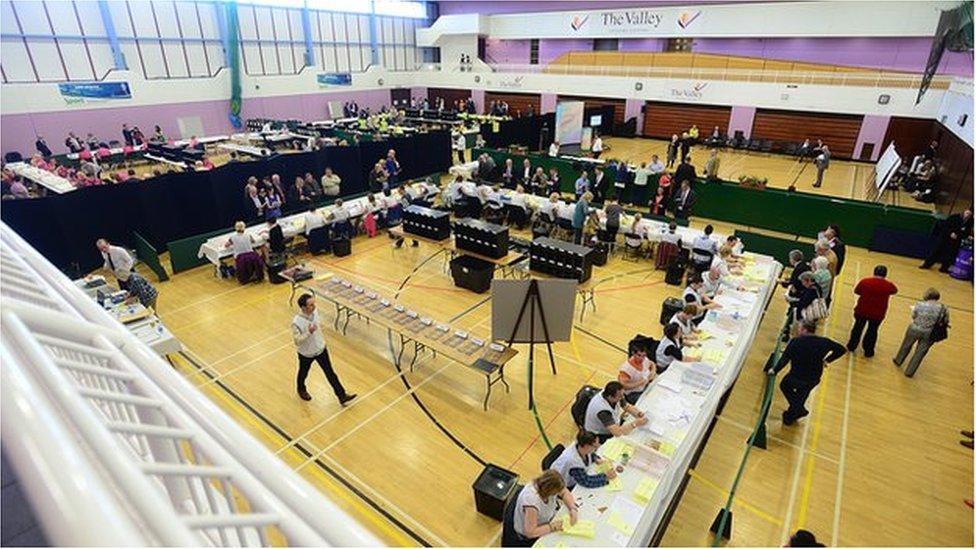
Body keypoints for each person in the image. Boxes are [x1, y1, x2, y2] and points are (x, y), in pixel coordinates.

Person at [767, 321, 846, 425]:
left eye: (799, 328)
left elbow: (784, 359)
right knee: (802, 395)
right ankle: (790, 417)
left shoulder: (796, 342)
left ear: (804, 330)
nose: (797, 330)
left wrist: (774, 370)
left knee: (784, 385)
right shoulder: (824, 342)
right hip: (814, 378)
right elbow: (841, 349)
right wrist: (827, 360)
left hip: (796, 376)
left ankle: (798, 410)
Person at [291, 294, 356, 404]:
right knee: (303, 373)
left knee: (330, 373)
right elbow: (297, 340)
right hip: (306, 354)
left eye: (314, 304)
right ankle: (301, 389)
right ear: (303, 307)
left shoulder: (315, 312)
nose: (314, 307)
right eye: (311, 305)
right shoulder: (296, 322)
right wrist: (309, 332)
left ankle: (341, 395)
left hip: (321, 349)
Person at [503, 469, 578, 547]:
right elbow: (530, 532)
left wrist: (572, 508)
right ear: (549, 490)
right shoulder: (532, 502)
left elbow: (564, 492)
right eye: (555, 492)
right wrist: (553, 527)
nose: (557, 494)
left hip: (546, 522)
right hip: (528, 536)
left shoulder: (545, 485)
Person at [846, 265, 898, 358]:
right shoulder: (888, 285)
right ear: (885, 274)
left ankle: (851, 346)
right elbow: (895, 290)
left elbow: (857, 291)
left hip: (862, 310)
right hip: (877, 313)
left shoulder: (865, 281)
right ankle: (868, 351)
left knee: (857, 328)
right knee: (872, 331)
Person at [893, 288, 947, 377]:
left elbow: (914, 316)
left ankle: (899, 360)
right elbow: (945, 320)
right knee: (920, 352)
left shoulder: (919, 305)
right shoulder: (943, 308)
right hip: (930, 332)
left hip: (915, 328)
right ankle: (909, 372)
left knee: (906, 345)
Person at [550, 431, 618, 489]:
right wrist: (606, 477)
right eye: (595, 446)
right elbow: (586, 481)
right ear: (586, 446)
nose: (597, 447)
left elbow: (590, 454)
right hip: (562, 484)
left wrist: (595, 458)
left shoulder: (580, 446)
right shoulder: (573, 462)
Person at [583, 381, 647, 442]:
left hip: (613, 424)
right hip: (599, 434)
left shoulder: (613, 394)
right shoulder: (603, 411)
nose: (622, 397)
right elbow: (617, 432)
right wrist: (635, 424)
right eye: (620, 396)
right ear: (610, 397)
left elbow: (626, 406)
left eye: (622, 394)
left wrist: (638, 413)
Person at [920, 206, 973, 272]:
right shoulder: (954, 217)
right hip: (945, 238)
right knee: (936, 252)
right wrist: (950, 233)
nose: (967, 215)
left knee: (949, 255)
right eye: (967, 213)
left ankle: (944, 268)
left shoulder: (970, 222)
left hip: (955, 241)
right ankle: (926, 265)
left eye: (969, 215)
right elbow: (945, 226)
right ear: (964, 212)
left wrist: (958, 236)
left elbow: (966, 233)